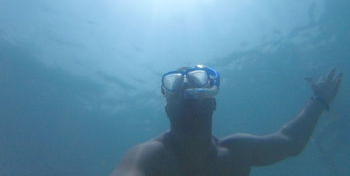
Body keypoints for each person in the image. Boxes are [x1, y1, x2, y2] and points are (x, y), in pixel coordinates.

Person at [111, 65, 343, 176]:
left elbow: (289, 141)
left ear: (213, 103)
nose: (186, 92)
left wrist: (319, 101)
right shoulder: (150, 156)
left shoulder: (237, 150)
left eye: (195, 88)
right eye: (177, 89)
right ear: (167, 109)